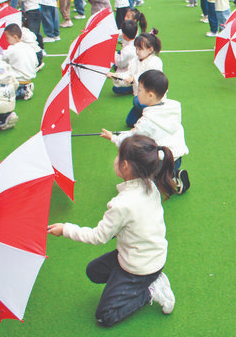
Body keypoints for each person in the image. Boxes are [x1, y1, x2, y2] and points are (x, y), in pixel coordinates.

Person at [47, 135, 177, 327]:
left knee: (105, 316)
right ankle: (133, 285)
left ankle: (150, 289)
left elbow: (98, 236)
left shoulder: (121, 204)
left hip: (140, 268)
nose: (115, 159)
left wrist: (66, 229)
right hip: (141, 253)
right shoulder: (150, 186)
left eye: (117, 156)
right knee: (94, 271)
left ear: (124, 165)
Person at [101, 70, 190, 195]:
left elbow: (132, 140)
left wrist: (113, 137)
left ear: (151, 95)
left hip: (161, 164)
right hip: (176, 158)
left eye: (140, 90)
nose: (137, 92)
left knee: (141, 181)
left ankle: (166, 180)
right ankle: (172, 175)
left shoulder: (148, 121)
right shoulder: (170, 108)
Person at [108, 31, 163, 127]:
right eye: (136, 48)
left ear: (150, 50)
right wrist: (115, 75)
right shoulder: (135, 60)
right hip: (139, 96)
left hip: (152, 99)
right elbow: (128, 73)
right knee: (130, 121)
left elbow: (150, 80)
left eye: (140, 49)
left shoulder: (156, 62)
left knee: (137, 101)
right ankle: (145, 116)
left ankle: (154, 117)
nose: (137, 51)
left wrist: (133, 79)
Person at [2, 23, 38, 100]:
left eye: (7, 38)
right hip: (29, 77)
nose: (7, 40)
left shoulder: (11, 49)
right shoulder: (29, 47)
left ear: (15, 37)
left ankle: (23, 91)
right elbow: (36, 63)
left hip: (17, 80)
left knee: (3, 94)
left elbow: (1, 58)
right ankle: (26, 87)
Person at [112, 20, 138, 95]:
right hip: (132, 64)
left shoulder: (128, 50)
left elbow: (120, 63)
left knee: (116, 89)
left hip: (130, 71)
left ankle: (131, 86)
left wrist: (112, 53)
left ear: (124, 35)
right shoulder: (136, 40)